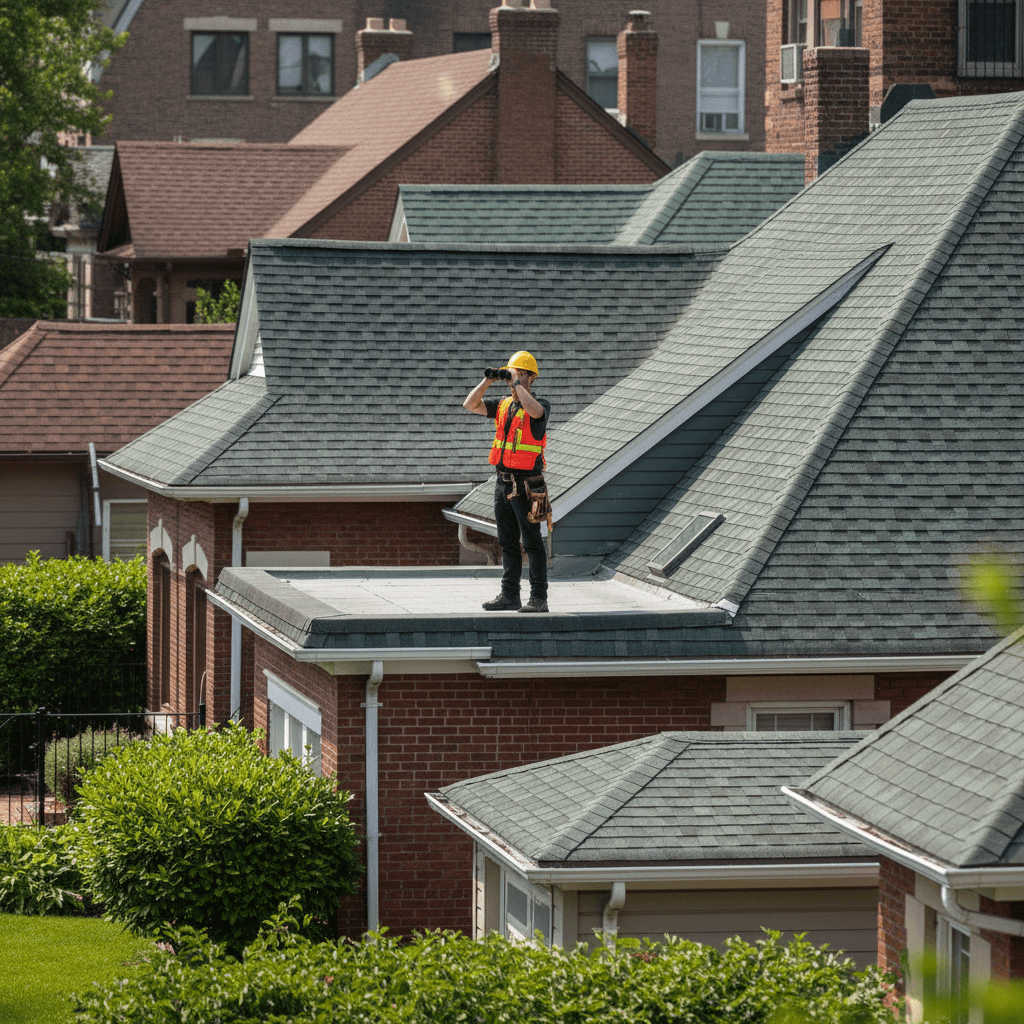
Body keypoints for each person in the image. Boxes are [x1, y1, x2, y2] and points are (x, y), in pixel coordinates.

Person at [463, 350, 550, 613]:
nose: (516, 378)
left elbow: (535, 412)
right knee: (507, 542)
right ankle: (510, 595)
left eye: (522, 374)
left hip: (528, 484)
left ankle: (538, 598)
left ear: (531, 378)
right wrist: (488, 380)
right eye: (514, 373)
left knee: (532, 543)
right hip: (502, 482)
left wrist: (515, 384)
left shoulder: (540, 405)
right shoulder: (503, 405)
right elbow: (470, 404)